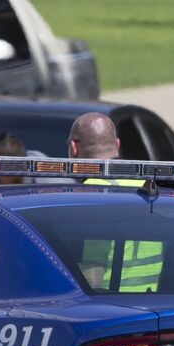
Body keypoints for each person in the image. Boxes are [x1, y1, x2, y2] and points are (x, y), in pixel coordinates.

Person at [70, 111, 163, 292]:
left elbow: (93, 271)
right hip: (150, 301)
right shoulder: (146, 184)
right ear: (117, 145)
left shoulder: (90, 192)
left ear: (74, 147)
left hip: (108, 303)